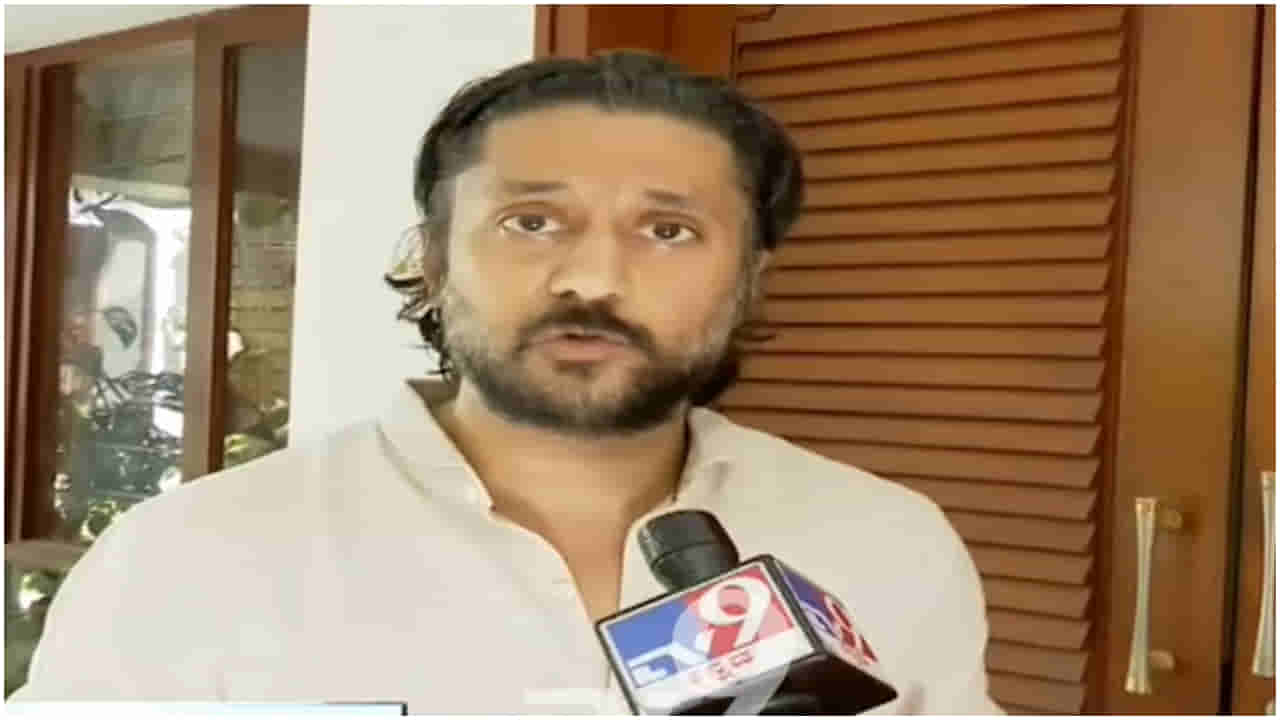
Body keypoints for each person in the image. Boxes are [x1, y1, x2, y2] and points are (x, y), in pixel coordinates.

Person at [12, 52, 1001, 714]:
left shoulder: (888, 542)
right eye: (532, 221)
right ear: (433, 260)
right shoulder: (183, 566)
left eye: (668, 230)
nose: (593, 279)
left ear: (747, 282)